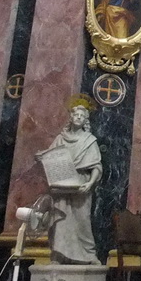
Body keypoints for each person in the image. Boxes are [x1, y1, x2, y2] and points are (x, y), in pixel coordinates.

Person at [37, 95, 103, 265]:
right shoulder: (60, 139)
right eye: (76, 115)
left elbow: (96, 166)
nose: (79, 118)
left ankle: (88, 255)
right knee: (60, 220)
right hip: (62, 185)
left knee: (82, 221)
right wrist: (42, 157)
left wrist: (90, 183)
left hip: (81, 185)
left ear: (86, 120)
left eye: (82, 116)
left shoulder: (89, 140)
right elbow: (51, 157)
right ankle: (59, 255)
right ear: (71, 118)